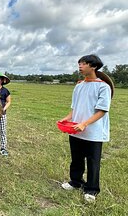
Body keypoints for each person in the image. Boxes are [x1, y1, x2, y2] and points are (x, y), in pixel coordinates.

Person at [60, 54, 114, 203]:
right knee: (76, 159)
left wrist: (85, 124)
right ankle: (76, 181)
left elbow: (102, 111)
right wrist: (67, 118)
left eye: (83, 64)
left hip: (93, 132)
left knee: (92, 161)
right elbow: (74, 107)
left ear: (94, 66)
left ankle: (91, 189)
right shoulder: (79, 85)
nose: (80, 66)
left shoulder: (103, 87)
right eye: (79, 64)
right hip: (76, 129)